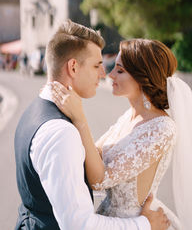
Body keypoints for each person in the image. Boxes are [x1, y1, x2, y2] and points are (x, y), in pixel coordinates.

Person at [14, 20, 170, 230]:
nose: (105, 74)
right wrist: (144, 225)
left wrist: (80, 120)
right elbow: (78, 224)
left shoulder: (36, 109)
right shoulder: (61, 132)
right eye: (98, 65)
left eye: (119, 69)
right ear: (73, 67)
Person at [51, 38, 192, 230]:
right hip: (110, 220)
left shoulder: (162, 128)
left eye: (120, 70)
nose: (110, 75)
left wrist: (79, 118)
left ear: (143, 77)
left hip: (138, 222)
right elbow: (95, 153)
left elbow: (100, 180)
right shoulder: (129, 116)